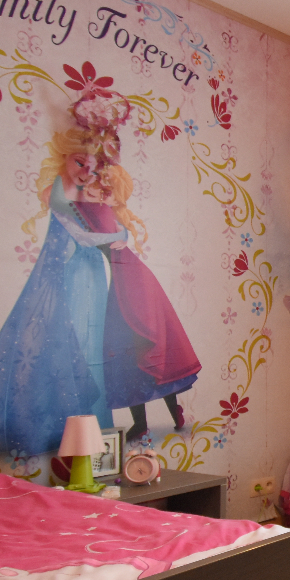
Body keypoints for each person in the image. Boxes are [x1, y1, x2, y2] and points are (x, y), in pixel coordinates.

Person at [0, 129, 126, 456]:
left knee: (91, 343)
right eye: (79, 162)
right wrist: (117, 235)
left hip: (90, 274)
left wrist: (118, 230)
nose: (86, 172)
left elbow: (103, 224)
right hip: (63, 275)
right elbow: (81, 236)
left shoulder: (89, 193)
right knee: (56, 341)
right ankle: (49, 427)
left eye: (93, 168)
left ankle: (91, 432)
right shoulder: (56, 192)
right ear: (64, 157)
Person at [75, 163, 200, 443]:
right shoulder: (105, 214)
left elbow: (93, 235)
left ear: (115, 194)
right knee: (133, 356)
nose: (99, 190)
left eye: (106, 188)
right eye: (99, 186)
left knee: (148, 348)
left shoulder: (107, 215)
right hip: (125, 287)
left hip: (135, 288)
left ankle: (168, 413)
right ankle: (144, 422)